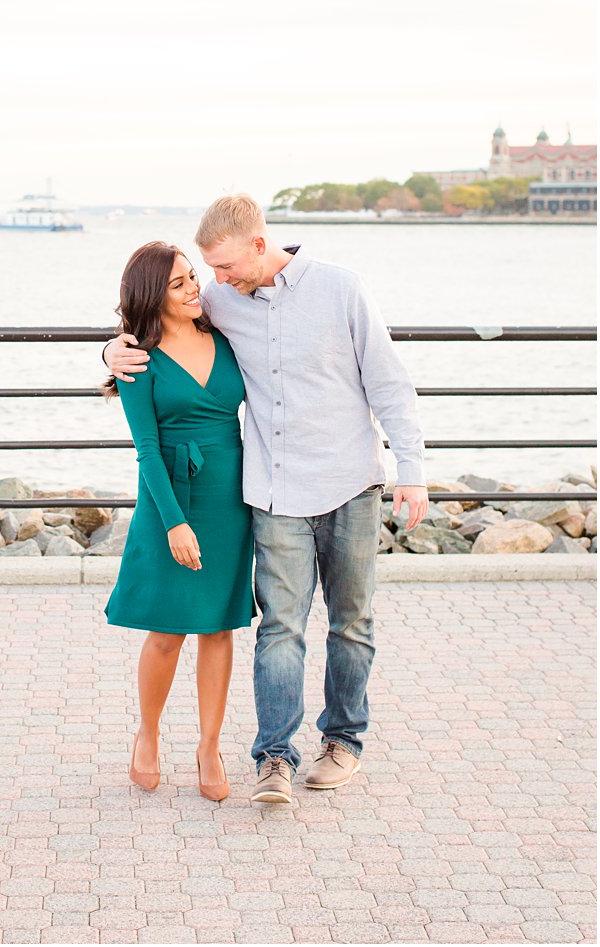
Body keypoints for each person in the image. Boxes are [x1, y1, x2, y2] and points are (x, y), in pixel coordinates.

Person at [106, 194, 426, 806]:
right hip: (271, 492)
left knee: (349, 622)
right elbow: (147, 338)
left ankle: (339, 744)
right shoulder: (221, 303)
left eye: (220, 268)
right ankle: (273, 757)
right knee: (276, 626)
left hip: (342, 484)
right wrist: (109, 350)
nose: (212, 282)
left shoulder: (339, 290)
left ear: (258, 245)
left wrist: (410, 468)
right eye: (203, 273)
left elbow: (389, 381)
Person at [103, 242, 255, 802]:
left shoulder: (226, 334)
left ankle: (209, 745)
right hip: (170, 496)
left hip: (230, 498)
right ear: (151, 297)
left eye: (193, 277)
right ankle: (147, 733)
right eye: (179, 284)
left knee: (219, 626)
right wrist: (173, 523)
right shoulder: (138, 359)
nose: (195, 288)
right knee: (167, 629)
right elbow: (145, 448)